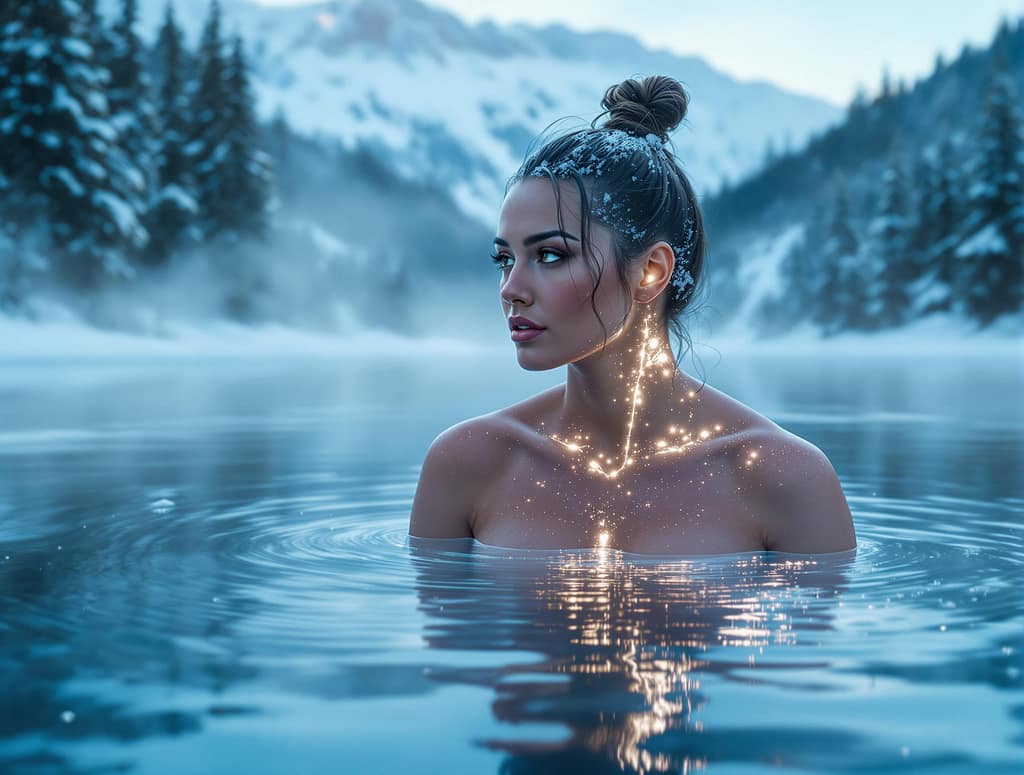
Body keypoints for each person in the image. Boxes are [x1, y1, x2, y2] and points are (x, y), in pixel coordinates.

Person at [409, 75, 856, 555]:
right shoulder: (468, 464)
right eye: (505, 259)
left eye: (550, 255)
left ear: (651, 271)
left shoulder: (785, 478)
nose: (511, 289)